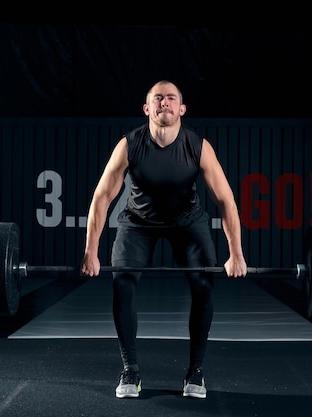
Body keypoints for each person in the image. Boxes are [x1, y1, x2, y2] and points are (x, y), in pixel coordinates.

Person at [80, 80, 247, 399]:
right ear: (147, 109)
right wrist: (91, 252)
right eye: (158, 98)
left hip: (188, 221)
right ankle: (130, 370)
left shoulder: (198, 146)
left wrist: (235, 254)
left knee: (203, 285)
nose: (165, 103)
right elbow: (102, 197)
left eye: (171, 98)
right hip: (138, 221)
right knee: (123, 282)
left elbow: (225, 200)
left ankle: (195, 372)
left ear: (182, 109)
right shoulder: (129, 145)